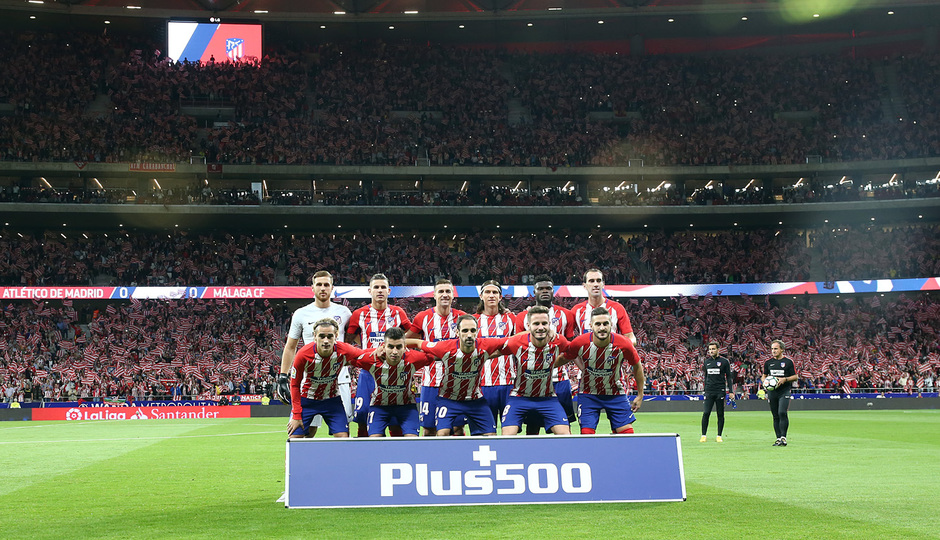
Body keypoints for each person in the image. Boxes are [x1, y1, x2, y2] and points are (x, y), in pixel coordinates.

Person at [406, 315, 510, 436]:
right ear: (457, 332)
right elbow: (418, 343)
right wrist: (388, 346)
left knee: (491, 436)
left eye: (473, 330)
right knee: (442, 434)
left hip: (475, 400)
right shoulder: (444, 347)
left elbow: (512, 340)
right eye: (465, 331)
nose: (469, 334)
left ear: (477, 331)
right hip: (449, 399)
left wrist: (531, 334)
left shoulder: (485, 345)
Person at [278, 270, 353, 437]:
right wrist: (283, 375)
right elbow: (291, 347)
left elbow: (349, 344)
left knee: (343, 432)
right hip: (310, 379)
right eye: (319, 284)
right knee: (308, 430)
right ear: (312, 288)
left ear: (332, 287)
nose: (323, 288)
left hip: (339, 379)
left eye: (326, 284)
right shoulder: (301, 314)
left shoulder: (345, 312)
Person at [347, 273, 410, 437]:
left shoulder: (398, 313)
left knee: (394, 418)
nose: (380, 290)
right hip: (369, 371)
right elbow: (348, 339)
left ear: (389, 291)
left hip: (394, 373)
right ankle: (364, 456)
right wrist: (367, 351)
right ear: (370, 291)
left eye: (383, 287)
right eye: (376, 287)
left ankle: (395, 455)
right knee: (362, 415)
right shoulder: (359, 314)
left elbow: (410, 334)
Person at [566, 307, 644, 435]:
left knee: (627, 435)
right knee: (587, 434)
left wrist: (640, 395)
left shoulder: (623, 344)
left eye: (605, 324)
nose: (602, 328)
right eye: (598, 324)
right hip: (588, 393)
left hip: (615, 393)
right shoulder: (580, 342)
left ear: (611, 325)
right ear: (591, 325)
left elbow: (637, 366)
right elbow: (564, 357)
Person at [345, 327, 435, 437]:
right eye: (390, 347)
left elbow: (436, 352)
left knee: (412, 441)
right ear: (383, 346)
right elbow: (350, 356)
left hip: (406, 407)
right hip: (379, 407)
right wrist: (372, 351)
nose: (395, 351)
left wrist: (417, 342)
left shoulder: (414, 358)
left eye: (399, 347)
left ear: (405, 347)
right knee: (374, 440)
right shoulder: (371, 359)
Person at [405, 279, 466, 436]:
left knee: (457, 428)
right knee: (428, 428)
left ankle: (459, 459)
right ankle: (431, 459)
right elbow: (406, 341)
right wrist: (423, 346)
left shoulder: (462, 318)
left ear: (453, 295)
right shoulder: (422, 317)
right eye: (441, 291)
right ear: (434, 295)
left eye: (448, 291)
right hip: (430, 381)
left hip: (456, 383)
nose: (444, 295)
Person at [517, 274, 578, 433]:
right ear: (534, 291)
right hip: (532, 381)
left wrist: (552, 364)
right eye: (540, 288)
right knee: (533, 429)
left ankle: (563, 457)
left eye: (548, 288)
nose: (545, 291)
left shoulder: (567, 315)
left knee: (563, 428)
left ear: (553, 291)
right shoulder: (522, 317)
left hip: (559, 380)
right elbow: (517, 348)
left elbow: (570, 349)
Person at [286, 318, 366, 438]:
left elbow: (365, 355)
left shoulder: (343, 349)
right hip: (307, 400)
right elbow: (294, 385)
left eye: (330, 336)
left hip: (332, 400)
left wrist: (382, 351)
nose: (326, 341)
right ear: (314, 336)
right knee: (294, 439)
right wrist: (297, 415)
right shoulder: (303, 354)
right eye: (322, 336)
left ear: (336, 336)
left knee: (344, 438)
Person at [500, 306, 573, 435]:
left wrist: (553, 364)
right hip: (519, 397)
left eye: (544, 323)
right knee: (507, 437)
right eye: (536, 324)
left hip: (548, 398)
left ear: (550, 324)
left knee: (566, 436)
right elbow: (492, 350)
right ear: (528, 325)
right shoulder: (516, 342)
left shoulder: (558, 341)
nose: (540, 327)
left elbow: (573, 352)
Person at [474, 280, 517, 429]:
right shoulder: (473, 321)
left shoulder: (511, 319)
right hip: (483, 384)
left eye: (495, 292)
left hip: (508, 383)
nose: (491, 295)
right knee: (486, 430)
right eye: (487, 292)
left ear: (500, 297)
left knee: (510, 430)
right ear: (481, 296)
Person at [571, 268, 636, 345]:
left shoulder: (617, 308)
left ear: (603, 284)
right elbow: (566, 336)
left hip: (611, 355)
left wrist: (620, 348)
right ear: (584, 286)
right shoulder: (577, 310)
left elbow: (630, 337)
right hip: (586, 356)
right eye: (591, 281)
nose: (595, 284)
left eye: (598, 281)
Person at [763, 339, 797, 447]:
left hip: (784, 391)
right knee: (775, 415)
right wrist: (764, 381)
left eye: (776, 349)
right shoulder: (768, 363)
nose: (773, 351)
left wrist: (785, 379)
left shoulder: (788, 362)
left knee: (782, 412)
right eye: (772, 349)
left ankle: (784, 437)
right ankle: (778, 438)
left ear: (782, 349)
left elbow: (795, 377)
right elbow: (764, 375)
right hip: (772, 392)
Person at [701, 341, 734, 443]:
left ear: (718, 350)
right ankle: (703, 435)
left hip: (720, 391)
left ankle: (719, 435)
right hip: (709, 391)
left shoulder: (724, 362)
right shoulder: (707, 362)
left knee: (720, 414)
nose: (711, 351)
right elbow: (706, 377)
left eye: (713, 349)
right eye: (710, 349)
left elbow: (729, 377)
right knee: (706, 413)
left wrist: (731, 391)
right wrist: (704, 389)